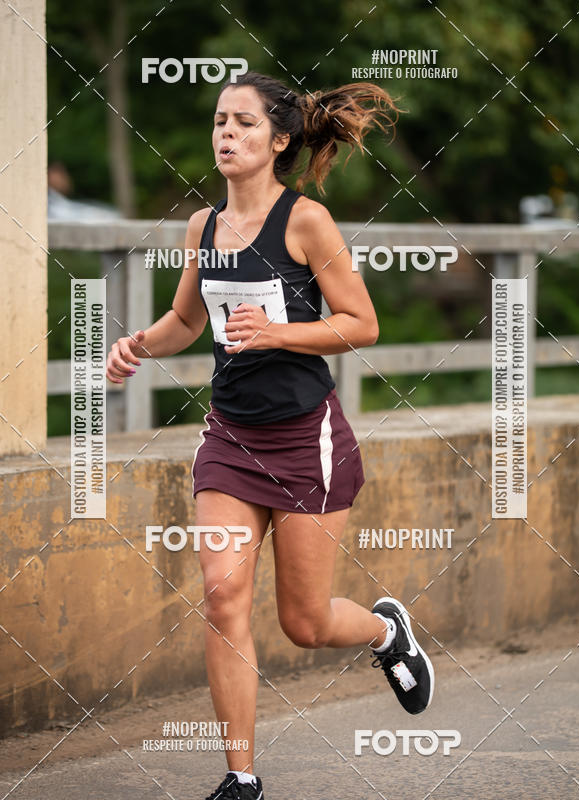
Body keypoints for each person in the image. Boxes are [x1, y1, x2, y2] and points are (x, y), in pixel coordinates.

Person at [106, 71, 434, 800]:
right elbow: (189, 321)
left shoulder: (305, 221)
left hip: (304, 440)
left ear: (279, 140)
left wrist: (279, 332)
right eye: (220, 121)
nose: (226, 134)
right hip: (230, 437)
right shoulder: (204, 226)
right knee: (223, 597)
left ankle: (386, 634)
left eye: (244, 123)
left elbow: (362, 323)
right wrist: (138, 345)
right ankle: (241, 777)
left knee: (305, 624)